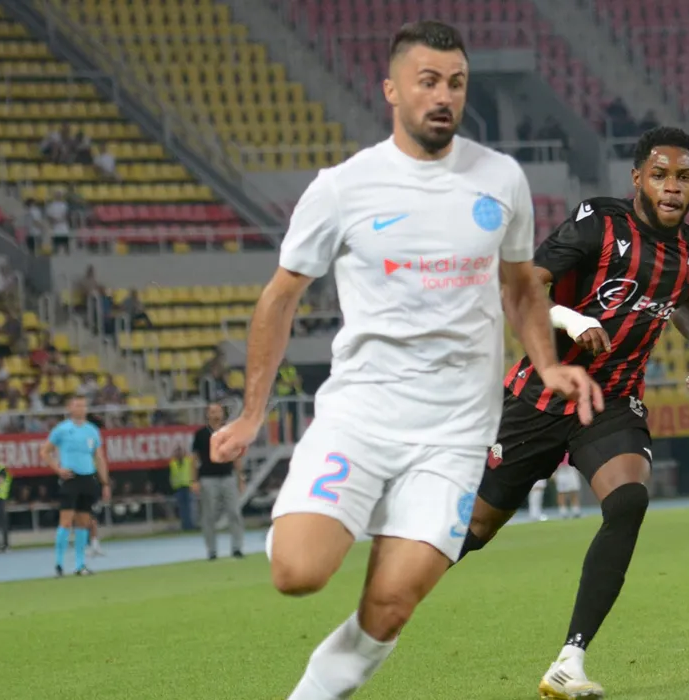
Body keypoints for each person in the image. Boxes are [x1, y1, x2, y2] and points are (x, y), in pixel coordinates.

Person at [209, 21, 599, 700]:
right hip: (362, 418)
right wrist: (250, 415)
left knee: (390, 605)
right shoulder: (343, 188)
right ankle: (313, 513)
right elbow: (279, 298)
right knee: (297, 573)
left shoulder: (501, 178)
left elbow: (519, 285)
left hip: (455, 434)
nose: (444, 96)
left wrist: (546, 364)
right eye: (428, 82)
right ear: (391, 89)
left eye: (456, 83)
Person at [458, 125, 689, 699]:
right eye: (660, 175)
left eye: (683, 176)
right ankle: (391, 583)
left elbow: (685, 294)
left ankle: (569, 662)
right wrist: (573, 319)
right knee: (474, 528)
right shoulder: (599, 224)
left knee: (628, 500)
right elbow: (526, 285)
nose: (672, 186)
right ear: (638, 178)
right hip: (542, 393)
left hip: (612, 402)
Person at [40, 394, 110, 576]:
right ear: (70, 408)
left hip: (88, 478)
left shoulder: (92, 430)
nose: (81, 409)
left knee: (83, 522)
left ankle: (80, 565)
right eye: (77, 405)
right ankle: (59, 563)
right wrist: (58, 469)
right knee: (65, 521)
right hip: (71, 478)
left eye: (83, 406)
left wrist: (105, 482)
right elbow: (45, 451)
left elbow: (99, 457)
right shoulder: (62, 429)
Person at [192, 402, 244, 559]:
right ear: (207, 414)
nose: (215, 415)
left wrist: (240, 478)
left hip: (228, 476)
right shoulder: (201, 434)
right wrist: (194, 480)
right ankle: (212, 550)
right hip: (208, 478)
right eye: (212, 412)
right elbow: (194, 458)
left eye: (218, 411)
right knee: (209, 516)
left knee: (234, 512)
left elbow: (236, 456)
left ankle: (237, 548)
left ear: (223, 414)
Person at [169, 444, 195, 530]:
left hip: (187, 486)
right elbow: (172, 476)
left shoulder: (188, 461)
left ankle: (191, 525)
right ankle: (185, 525)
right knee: (182, 508)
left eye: (180, 452)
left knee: (190, 507)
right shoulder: (173, 463)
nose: (179, 453)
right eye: (177, 452)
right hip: (178, 487)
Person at [553, 452, 582, 519]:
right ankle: (563, 511)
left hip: (571, 468)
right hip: (560, 470)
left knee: (574, 491)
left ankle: (576, 510)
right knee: (561, 492)